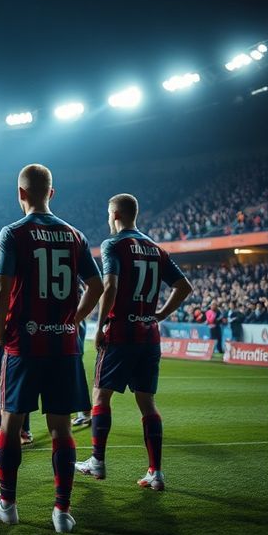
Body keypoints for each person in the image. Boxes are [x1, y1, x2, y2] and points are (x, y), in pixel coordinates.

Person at [0, 164, 103, 534]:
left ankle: (7, 505)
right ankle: (62, 512)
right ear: (52, 192)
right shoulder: (75, 235)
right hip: (63, 345)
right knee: (62, 430)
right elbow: (95, 286)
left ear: (20, 194)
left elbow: (0, 291)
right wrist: (73, 320)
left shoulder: (13, 233)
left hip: (24, 344)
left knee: (11, 425)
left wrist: (1, 333)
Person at [75, 194, 192, 492]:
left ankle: (97, 461)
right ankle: (156, 472)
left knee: (101, 397)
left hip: (122, 331)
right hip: (149, 334)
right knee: (147, 402)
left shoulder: (113, 244)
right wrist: (161, 313)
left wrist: (99, 326)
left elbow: (110, 285)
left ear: (114, 214)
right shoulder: (156, 248)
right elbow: (183, 286)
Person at [0, 274, 34, 446]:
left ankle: (22, 430)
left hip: (14, 337)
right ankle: (2, 426)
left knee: (15, 384)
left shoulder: (15, 284)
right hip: (2, 337)